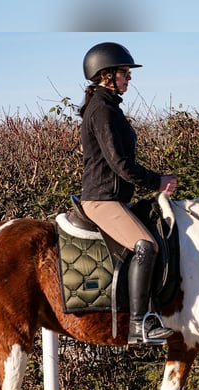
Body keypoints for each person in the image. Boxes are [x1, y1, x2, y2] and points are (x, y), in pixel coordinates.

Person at [78, 41, 177, 345]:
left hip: (114, 197)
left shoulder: (108, 106)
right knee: (146, 245)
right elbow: (120, 163)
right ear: (106, 75)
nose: (129, 78)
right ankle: (139, 325)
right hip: (101, 200)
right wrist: (157, 181)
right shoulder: (102, 110)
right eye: (124, 73)